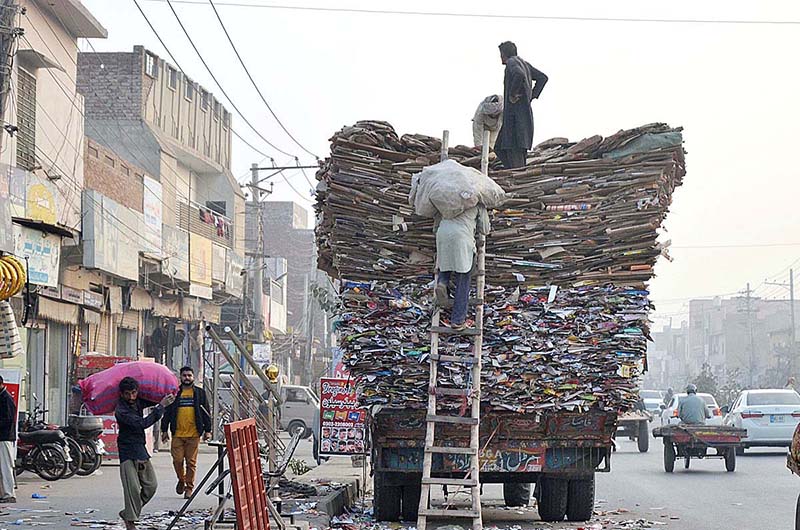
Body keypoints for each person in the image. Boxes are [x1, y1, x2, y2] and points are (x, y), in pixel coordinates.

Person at [116, 377, 175, 530]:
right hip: (127, 452)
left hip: (141, 450)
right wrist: (161, 407)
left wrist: (167, 395)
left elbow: (152, 399)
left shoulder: (138, 401)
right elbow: (142, 424)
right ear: (122, 394)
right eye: (127, 394)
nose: (131, 397)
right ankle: (130, 521)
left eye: (134, 393)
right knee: (133, 489)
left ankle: (129, 512)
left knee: (151, 486)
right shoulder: (121, 411)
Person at [434, 206, 491, 330]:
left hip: (442, 234)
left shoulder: (446, 197)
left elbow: (436, 225)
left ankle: (442, 283)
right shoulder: (477, 199)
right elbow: (485, 229)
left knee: (446, 263)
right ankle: (458, 320)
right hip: (462, 237)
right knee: (463, 276)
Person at [494, 41, 549, 169]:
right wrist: (531, 96)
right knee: (499, 147)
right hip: (519, 120)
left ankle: (516, 174)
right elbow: (542, 78)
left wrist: (513, 94)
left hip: (515, 121)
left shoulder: (512, 63)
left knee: (515, 153)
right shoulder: (524, 63)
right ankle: (512, 171)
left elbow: (519, 74)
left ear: (503, 54)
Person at [160, 367, 212, 499]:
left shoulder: (200, 393)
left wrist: (208, 430)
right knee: (177, 460)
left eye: (189, 375)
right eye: (184, 375)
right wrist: (164, 430)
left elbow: (206, 412)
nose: (187, 378)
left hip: (194, 434)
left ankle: (189, 487)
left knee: (191, 463)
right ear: (180, 377)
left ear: (193, 377)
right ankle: (181, 479)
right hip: (177, 434)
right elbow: (167, 412)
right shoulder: (175, 393)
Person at [0, 376, 16, 503]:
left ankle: (9, 494)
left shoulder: (6, 399)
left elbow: (8, 420)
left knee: (6, 466)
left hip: (4, 437)